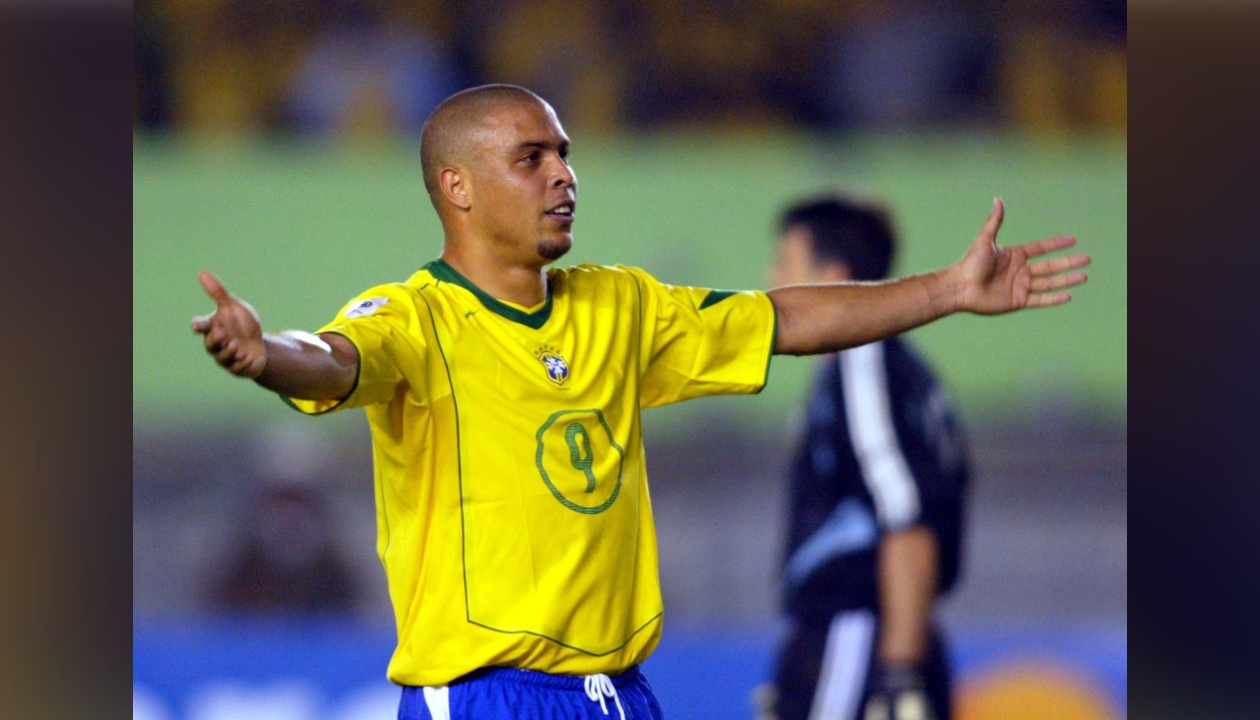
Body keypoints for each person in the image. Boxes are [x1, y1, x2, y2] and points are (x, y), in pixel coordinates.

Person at [191, 84, 1089, 720]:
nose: (562, 176)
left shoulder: (617, 306)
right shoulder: (416, 319)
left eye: (566, 156)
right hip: (485, 696)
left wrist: (948, 290)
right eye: (531, 157)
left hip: (623, 692)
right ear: (457, 187)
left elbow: (782, 318)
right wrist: (262, 353)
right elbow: (331, 359)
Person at [758, 196, 970, 720]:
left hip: (855, 636)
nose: (768, 279)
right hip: (869, 637)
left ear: (831, 277)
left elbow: (907, 519)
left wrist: (898, 676)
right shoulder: (899, 372)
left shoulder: (863, 362)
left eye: (785, 263)